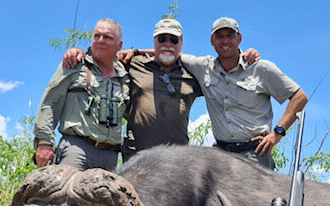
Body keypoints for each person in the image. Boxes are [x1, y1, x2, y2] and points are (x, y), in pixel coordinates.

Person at [62, 19, 260, 162]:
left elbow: (224, 72)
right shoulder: (133, 63)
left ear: (181, 44)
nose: (167, 43)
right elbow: (101, 57)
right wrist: (78, 52)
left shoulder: (193, 74)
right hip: (137, 156)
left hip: (177, 159)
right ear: (154, 42)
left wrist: (244, 55)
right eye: (162, 39)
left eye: (173, 40)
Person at [181, 17, 308, 170]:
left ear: (239, 39)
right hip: (220, 157)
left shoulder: (261, 68)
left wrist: (277, 134)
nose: (225, 41)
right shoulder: (203, 67)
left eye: (230, 35)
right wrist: (142, 53)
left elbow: (300, 97)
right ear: (212, 41)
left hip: (254, 155)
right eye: (219, 36)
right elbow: (169, 52)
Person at [33, 19, 129, 171]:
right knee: (67, 193)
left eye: (107, 37)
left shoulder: (125, 76)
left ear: (120, 45)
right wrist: (44, 143)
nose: (100, 41)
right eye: (96, 36)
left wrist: (135, 51)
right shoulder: (75, 64)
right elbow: (50, 102)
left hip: (110, 157)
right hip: (77, 150)